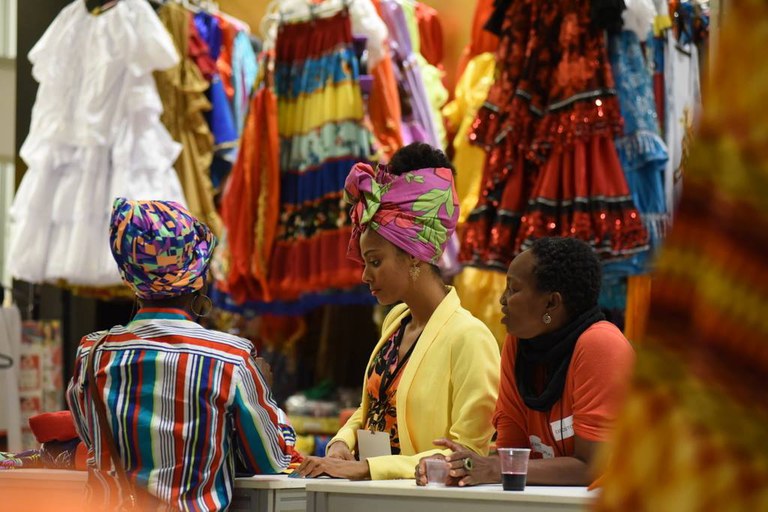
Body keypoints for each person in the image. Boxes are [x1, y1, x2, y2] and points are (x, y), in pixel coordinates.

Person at [66, 198, 297, 511]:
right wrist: (264, 390)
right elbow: (272, 460)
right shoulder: (229, 358)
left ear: (131, 279)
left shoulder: (92, 354)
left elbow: (92, 439)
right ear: (198, 277)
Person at [295, 143, 501, 480]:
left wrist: (368, 468)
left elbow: (468, 454)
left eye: (375, 262)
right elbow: (373, 408)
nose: (364, 275)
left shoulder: (470, 338)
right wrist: (341, 443)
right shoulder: (396, 322)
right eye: (365, 262)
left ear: (415, 254)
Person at [417, 237, 634, 486]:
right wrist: (459, 468)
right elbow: (513, 454)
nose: (502, 299)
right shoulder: (518, 344)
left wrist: (493, 467)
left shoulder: (601, 345)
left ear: (551, 303)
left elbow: (594, 468)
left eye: (514, 289)